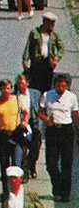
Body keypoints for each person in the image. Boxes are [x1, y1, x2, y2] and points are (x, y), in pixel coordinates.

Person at [40, 72, 78, 202]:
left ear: (67, 86)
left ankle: (65, 193)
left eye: (63, 86)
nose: (60, 89)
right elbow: (40, 112)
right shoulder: (47, 95)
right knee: (51, 163)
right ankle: (57, 187)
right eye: (58, 86)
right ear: (54, 85)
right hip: (52, 130)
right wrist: (46, 120)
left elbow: (75, 115)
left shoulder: (72, 97)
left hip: (66, 131)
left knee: (67, 164)